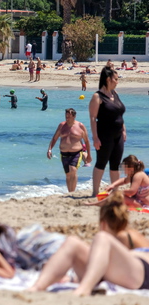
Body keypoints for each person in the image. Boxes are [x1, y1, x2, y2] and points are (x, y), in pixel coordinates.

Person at [29, 191, 149, 296]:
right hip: (128, 272)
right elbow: (99, 264)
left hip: (143, 271)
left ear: (103, 223)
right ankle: (37, 287)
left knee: (102, 237)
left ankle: (84, 289)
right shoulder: (121, 237)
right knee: (72, 242)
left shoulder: (123, 236)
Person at [89, 67, 126, 197]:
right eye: (115, 79)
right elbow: (93, 118)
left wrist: (124, 130)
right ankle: (95, 192)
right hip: (104, 135)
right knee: (101, 162)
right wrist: (95, 138)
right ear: (108, 79)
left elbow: (119, 113)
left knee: (116, 164)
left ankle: (115, 193)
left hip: (118, 135)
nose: (117, 82)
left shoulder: (115, 93)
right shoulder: (97, 96)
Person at [47, 108, 92, 192]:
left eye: (69, 116)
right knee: (68, 175)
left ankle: (73, 192)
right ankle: (70, 191)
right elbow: (54, 138)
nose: (67, 118)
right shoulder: (61, 126)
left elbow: (86, 141)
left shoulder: (80, 126)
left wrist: (89, 155)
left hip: (76, 153)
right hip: (64, 153)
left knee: (73, 170)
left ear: (74, 116)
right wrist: (49, 149)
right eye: (66, 116)